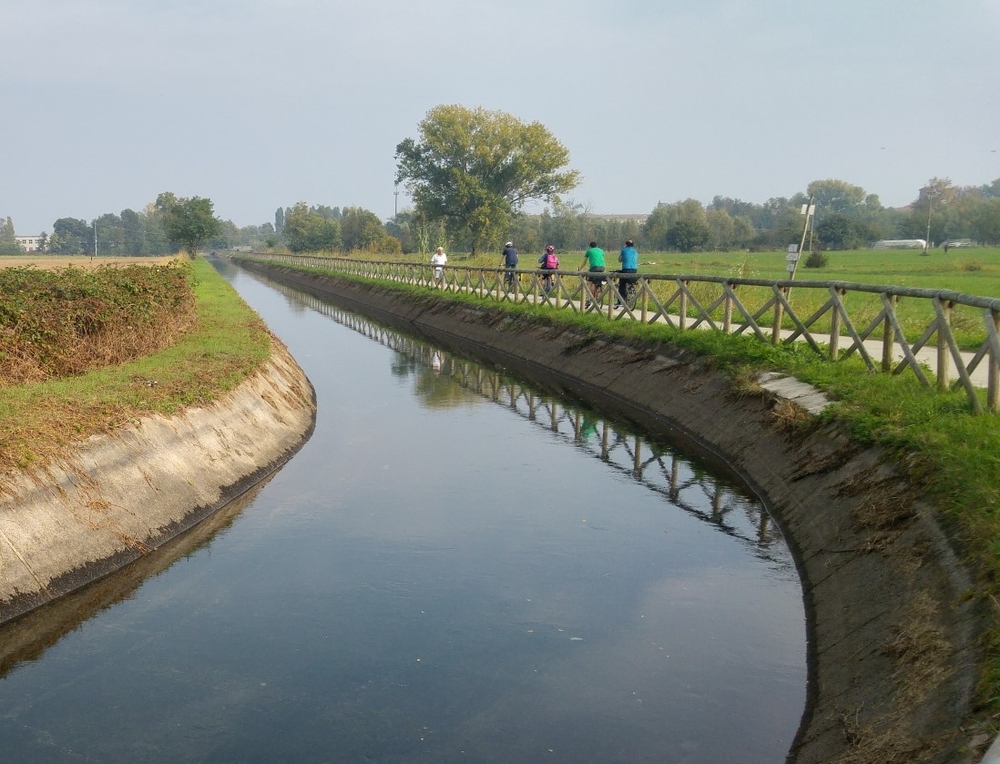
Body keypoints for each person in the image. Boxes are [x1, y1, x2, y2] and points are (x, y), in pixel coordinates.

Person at [617, 239, 639, 307]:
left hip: (626, 269)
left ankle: (621, 301)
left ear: (626, 244)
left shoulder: (624, 250)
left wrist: (622, 251)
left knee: (622, 285)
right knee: (630, 281)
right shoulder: (635, 251)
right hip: (634, 270)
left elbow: (619, 260)